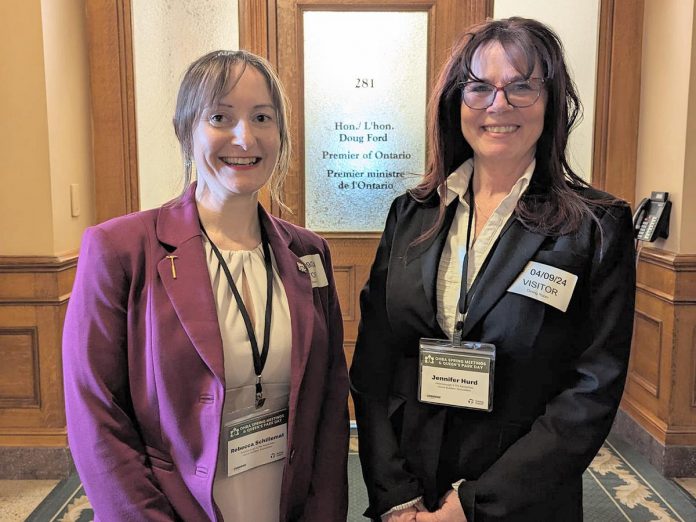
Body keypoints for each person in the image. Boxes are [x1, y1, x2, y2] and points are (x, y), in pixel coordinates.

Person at [351, 17, 635, 522]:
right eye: (479, 87)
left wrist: (473, 504)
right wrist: (395, 494)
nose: (498, 105)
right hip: (410, 495)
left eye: (521, 87)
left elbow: (591, 391)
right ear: (456, 101)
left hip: (521, 500)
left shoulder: (595, 226)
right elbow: (374, 363)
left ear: (552, 102)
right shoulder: (410, 212)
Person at [63, 50, 349, 522]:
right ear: (186, 130)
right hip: (172, 509)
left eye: (262, 117)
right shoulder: (120, 249)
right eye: (221, 116)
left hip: (283, 502)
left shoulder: (308, 253)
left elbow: (330, 404)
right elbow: (97, 417)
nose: (245, 136)